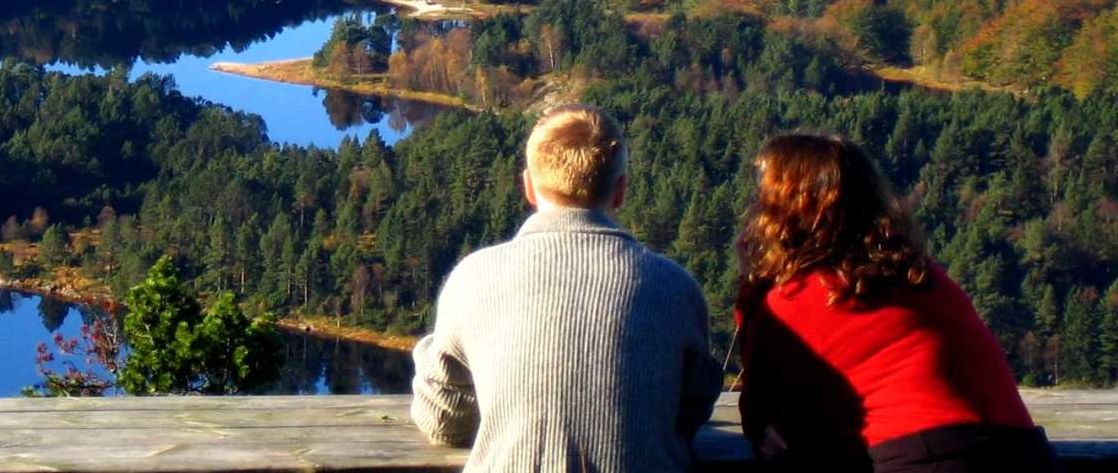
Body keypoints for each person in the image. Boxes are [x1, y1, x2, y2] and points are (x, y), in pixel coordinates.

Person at [411, 104, 722, 472]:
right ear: (620, 190)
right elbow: (692, 409)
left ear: (528, 185)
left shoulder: (473, 278)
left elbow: (445, 424)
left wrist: (427, 351)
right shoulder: (675, 287)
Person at [735, 133, 1057, 472]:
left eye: (762, 193)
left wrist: (751, 290)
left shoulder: (796, 299)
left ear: (783, 209)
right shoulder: (922, 276)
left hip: (930, 459)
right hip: (1027, 454)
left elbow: (768, 426)